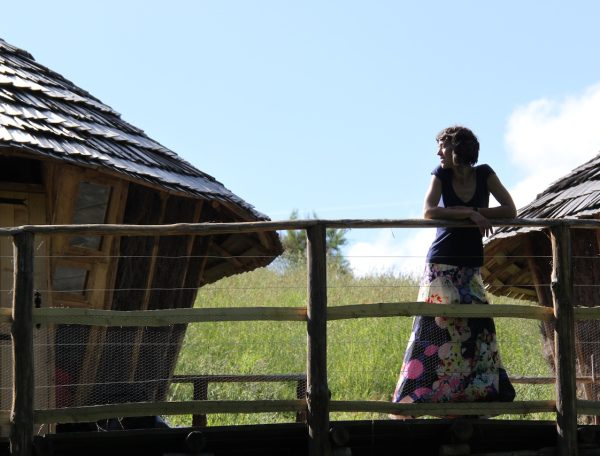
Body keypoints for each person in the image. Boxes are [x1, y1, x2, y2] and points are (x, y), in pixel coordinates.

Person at [392, 125, 517, 416]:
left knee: (479, 331)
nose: (438, 153)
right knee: (433, 330)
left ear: (456, 149)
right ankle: (417, 399)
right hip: (441, 265)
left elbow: (510, 209)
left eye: (442, 146)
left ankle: (479, 397)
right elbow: (429, 211)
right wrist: (469, 212)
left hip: (471, 264)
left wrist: (478, 213)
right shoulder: (440, 174)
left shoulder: (484, 173)